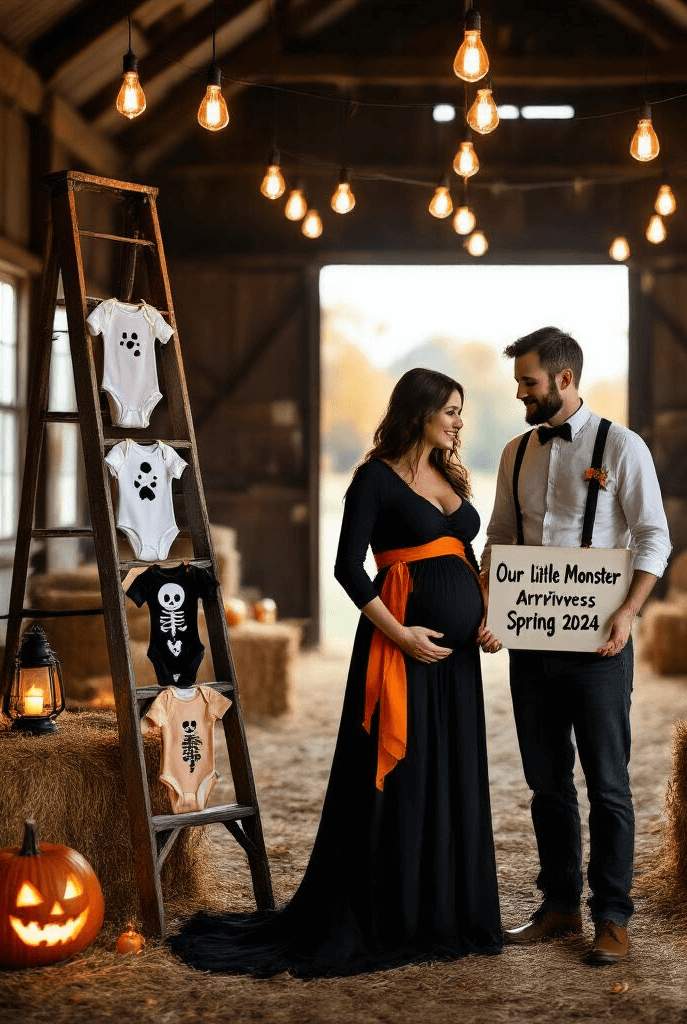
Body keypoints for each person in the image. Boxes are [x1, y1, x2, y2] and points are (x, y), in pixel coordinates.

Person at [169, 368, 502, 978]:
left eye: (461, 411)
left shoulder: (450, 474)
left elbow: (467, 556)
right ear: (419, 411)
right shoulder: (373, 480)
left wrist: (486, 614)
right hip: (400, 651)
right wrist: (399, 633)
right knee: (401, 780)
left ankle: (445, 913)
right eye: (450, 410)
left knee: (448, 773)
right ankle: (394, 913)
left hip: (457, 667)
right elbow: (350, 569)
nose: (458, 421)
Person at [478, 327, 671, 966]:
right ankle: (559, 904)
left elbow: (653, 538)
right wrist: (490, 606)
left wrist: (628, 614)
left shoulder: (623, 446)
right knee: (546, 784)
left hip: (600, 648)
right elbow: (501, 539)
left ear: (564, 379)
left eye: (527, 383)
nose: (520, 395)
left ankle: (612, 914)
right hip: (531, 645)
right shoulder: (514, 453)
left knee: (609, 785)